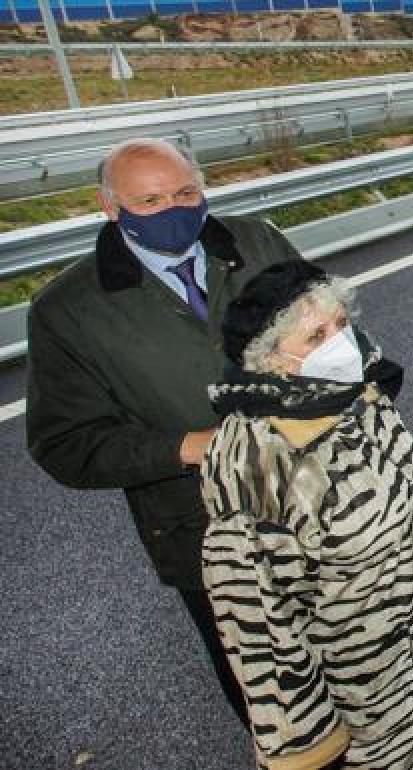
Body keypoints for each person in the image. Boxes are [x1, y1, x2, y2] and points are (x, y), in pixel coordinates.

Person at [26, 138, 303, 726]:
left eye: (185, 193)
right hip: (205, 529)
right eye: (150, 201)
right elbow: (64, 444)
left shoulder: (258, 243)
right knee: (272, 699)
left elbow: (340, 336)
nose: (175, 210)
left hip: (318, 499)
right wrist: (182, 447)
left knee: (363, 656)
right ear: (111, 208)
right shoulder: (68, 311)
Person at [202, 260, 413, 769]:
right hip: (364, 699)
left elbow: (370, 472)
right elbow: (260, 627)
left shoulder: (355, 396)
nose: (338, 342)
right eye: (315, 335)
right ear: (271, 360)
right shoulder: (256, 461)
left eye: (340, 325)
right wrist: (310, 747)